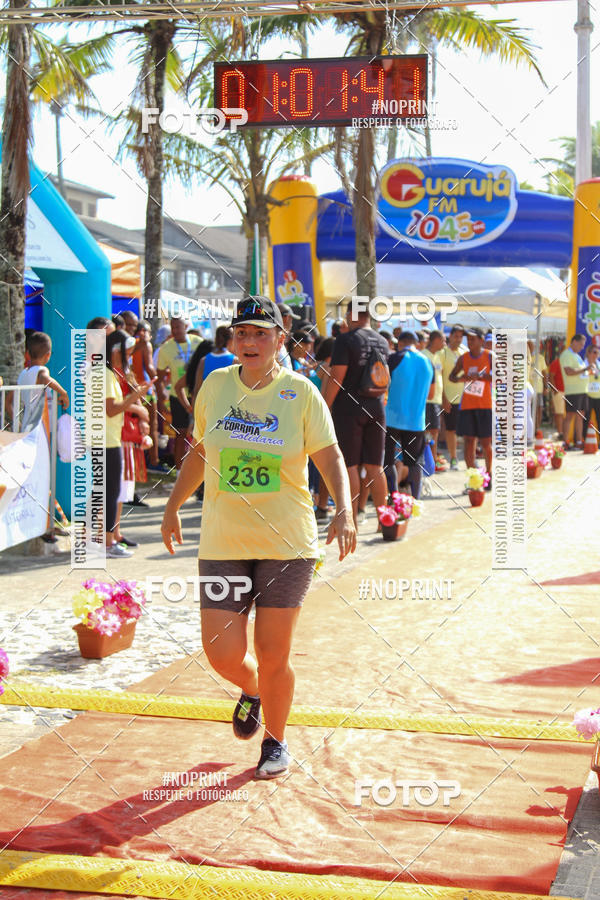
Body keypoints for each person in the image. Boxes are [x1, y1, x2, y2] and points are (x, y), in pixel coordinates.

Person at [161, 296, 356, 780]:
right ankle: (252, 690)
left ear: (279, 340)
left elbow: (329, 456)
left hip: (287, 542)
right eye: (242, 333)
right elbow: (200, 450)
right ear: (233, 339)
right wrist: (173, 505)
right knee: (221, 652)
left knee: (273, 653)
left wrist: (345, 509)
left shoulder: (301, 393)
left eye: (260, 334)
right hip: (224, 541)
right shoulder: (215, 385)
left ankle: (276, 741)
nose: (249, 342)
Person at [324, 300, 389, 525]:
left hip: (349, 409)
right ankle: (384, 521)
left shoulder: (346, 340)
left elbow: (336, 377)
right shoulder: (383, 341)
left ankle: (350, 522)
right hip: (377, 407)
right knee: (375, 467)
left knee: (349, 465)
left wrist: (324, 406)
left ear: (352, 314)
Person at [104, 330, 154, 558]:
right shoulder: (107, 374)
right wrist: (136, 402)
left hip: (119, 436)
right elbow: (112, 408)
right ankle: (108, 540)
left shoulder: (116, 372)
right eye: (127, 351)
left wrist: (139, 410)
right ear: (116, 351)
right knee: (113, 491)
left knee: (118, 490)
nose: (129, 356)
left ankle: (112, 536)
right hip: (112, 437)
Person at [383, 331, 434, 499]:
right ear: (416, 343)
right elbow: (431, 394)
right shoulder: (427, 362)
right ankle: (415, 501)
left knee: (388, 460)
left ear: (400, 343)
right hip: (417, 421)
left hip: (392, 418)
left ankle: (394, 497)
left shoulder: (394, 358)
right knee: (415, 463)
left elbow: (383, 385)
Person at [157, 316, 201, 468]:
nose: (175, 331)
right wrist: (161, 398)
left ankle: (198, 471)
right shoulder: (166, 348)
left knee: (199, 434)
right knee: (180, 434)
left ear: (185, 327)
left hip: (198, 395)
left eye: (178, 327)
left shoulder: (198, 342)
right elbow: (159, 377)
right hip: (177, 397)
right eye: (172, 327)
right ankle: (179, 470)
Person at [449, 327, 493, 479]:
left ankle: (489, 474)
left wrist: (482, 376)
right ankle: (472, 477)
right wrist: (464, 378)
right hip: (467, 406)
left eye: (473, 339)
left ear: (481, 340)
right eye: (468, 339)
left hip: (485, 405)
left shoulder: (490, 356)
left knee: (486, 443)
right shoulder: (463, 358)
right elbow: (452, 376)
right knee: (468, 442)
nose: (469, 342)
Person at [17, 331, 69, 430]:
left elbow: (8, 401)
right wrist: (63, 393)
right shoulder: (41, 370)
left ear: (28, 353)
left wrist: (18, 423)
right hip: (40, 426)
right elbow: (45, 379)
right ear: (48, 355)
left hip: (26, 424)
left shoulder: (23, 374)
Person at [441, 325, 465, 470]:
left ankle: (471, 458)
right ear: (450, 336)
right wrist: (443, 398)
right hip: (450, 398)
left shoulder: (464, 352)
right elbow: (439, 376)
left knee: (468, 431)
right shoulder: (443, 353)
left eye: (461, 337)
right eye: (456, 336)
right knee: (451, 430)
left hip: (465, 399)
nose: (458, 339)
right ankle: (453, 458)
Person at [560, 333, 590, 449]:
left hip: (582, 390)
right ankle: (565, 442)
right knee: (569, 416)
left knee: (580, 416)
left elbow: (580, 371)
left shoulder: (577, 356)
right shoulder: (566, 354)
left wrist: (587, 372)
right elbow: (568, 372)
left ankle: (578, 441)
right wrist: (585, 369)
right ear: (574, 342)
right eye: (581, 344)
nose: (582, 347)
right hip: (572, 391)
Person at [422, 329, 445, 465]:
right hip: (427, 400)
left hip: (436, 399)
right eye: (443, 340)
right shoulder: (424, 355)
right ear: (436, 340)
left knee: (435, 430)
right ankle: (428, 460)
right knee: (428, 430)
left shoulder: (439, 355)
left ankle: (432, 459)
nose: (444, 343)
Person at [583, 344, 600, 440]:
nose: (596, 354)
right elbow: (582, 376)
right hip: (587, 395)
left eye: (598, 353)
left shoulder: (599, 364)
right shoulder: (583, 364)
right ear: (588, 353)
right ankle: (583, 440)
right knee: (585, 419)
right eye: (594, 352)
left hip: (598, 396)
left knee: (599, 420)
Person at [547, 351, 566, 439]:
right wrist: (555, 390)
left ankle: (564, 433)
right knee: (559, 413)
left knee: (565, 413)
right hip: (559, 391)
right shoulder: (556, 363)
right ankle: (560, 433)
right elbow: (551, 376)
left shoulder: (566, 363)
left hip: (568, 391)